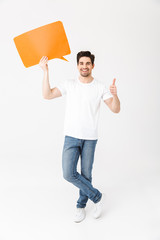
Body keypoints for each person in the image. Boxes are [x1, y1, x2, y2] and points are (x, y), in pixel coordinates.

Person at [39, 51, 120, 223]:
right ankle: (98, 197)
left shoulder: (99, 87)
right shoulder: (69, 84)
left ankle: (81, 205)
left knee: (86, 174)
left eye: (87, 63)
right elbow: (47, 95)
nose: (84, 66)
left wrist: (115, 95)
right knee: (68, 173)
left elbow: (115, 109)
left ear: (92, 66)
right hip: (71, 136)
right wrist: (46, 72)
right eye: (81, 63)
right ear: (77, 65)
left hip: (90, 137)